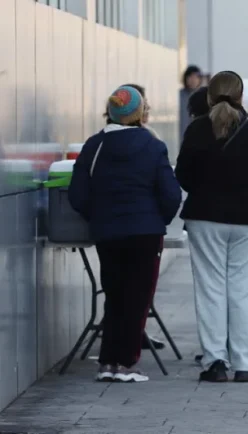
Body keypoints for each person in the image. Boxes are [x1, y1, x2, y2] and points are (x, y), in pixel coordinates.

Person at [69, 85, 182, 383]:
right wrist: (158, 220)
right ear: (140, 113)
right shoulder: (152, 145)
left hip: (107, 233)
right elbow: (171, 194)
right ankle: (126, 364)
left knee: (115, 295)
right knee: (137, 299)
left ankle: (107, 363)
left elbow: (77, 195)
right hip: (145, 233)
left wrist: (97, 217)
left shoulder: (95, 145)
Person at [175, 71, 248, 383]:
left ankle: (215, 361)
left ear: (208, 96)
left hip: (205, 215)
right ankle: (244, 364)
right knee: (245, 291)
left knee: (210, 289)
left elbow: (183, 175)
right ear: (241, 95)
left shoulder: (197, 129)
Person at [179, 65, 203, 138]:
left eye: (196, 77)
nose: (193, 80)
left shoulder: (202, 96)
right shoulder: (179, 95)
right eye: (190, 77)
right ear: (185, 78)